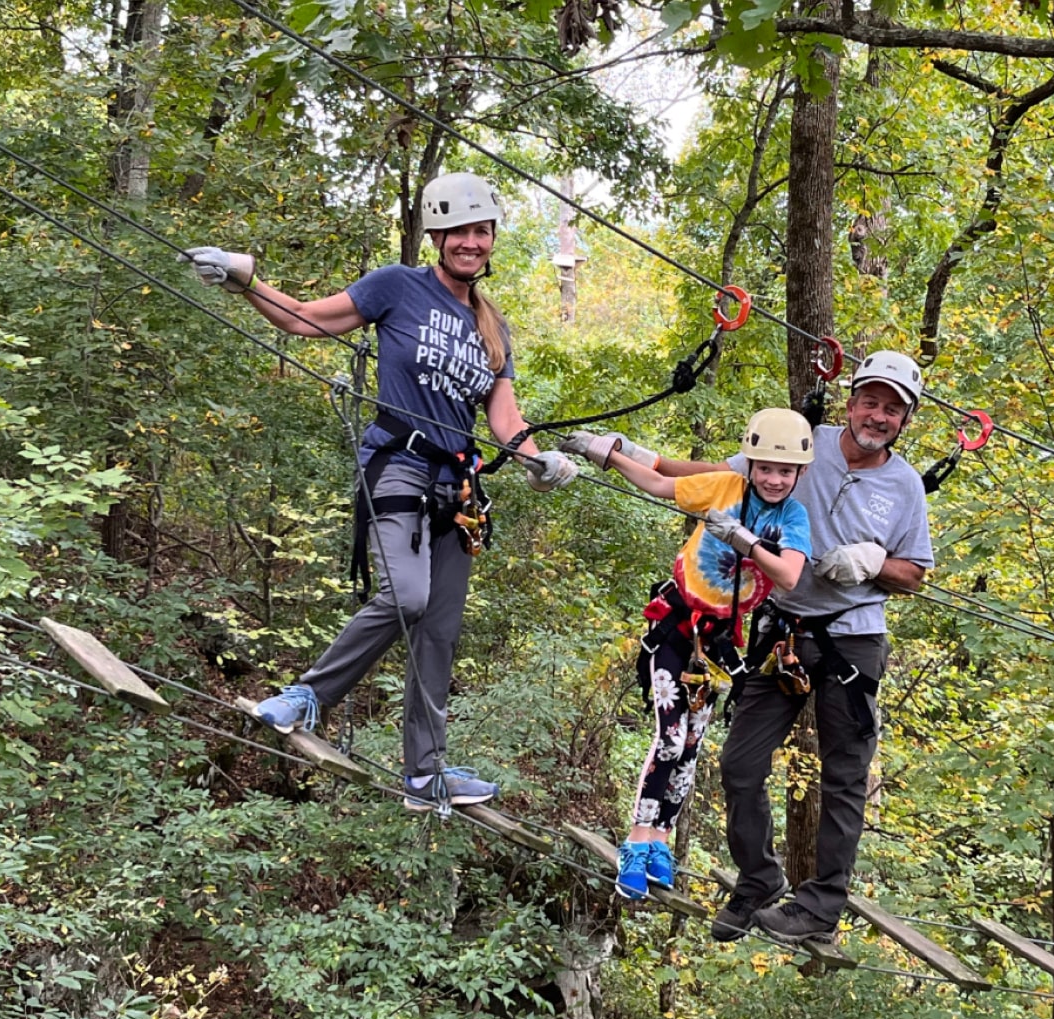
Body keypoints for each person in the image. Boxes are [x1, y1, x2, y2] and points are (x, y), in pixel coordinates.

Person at [180, 172, 578, 811]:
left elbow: (505, 421)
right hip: (398, 465)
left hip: (459, 488)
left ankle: (425, 776)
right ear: (437, 237)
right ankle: (308, 696)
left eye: (481, 232)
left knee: (440, 632)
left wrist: (540, 460)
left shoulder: (493, 328)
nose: (470, 243)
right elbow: (307, 322)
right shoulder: (399, 287)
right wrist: (245, 279)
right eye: (458, 233)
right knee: (408, 595)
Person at [592, 351, 933, 942]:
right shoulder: (800, 443)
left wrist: (875, 562)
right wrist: (627, 453)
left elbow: (915, 573)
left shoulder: (904, 486)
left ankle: (820, 908)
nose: (878, 416)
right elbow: (714, 476)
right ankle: (759, 880)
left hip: (853, 640)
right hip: (780, 631)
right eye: (870, 401)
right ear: (851, 403)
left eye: (892, 409)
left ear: (905, 421)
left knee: (844, 776)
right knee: (740, 764)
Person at [563, 409, 815, 900]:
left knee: (693, 745)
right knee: (671, 737)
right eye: (764, 467)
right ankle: (637, 840)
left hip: (720, 646)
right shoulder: (724, 486)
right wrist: (609, 456)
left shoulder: (793, 518)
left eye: (785, 471)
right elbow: (659, 485)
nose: (774, 478)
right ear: (750, 465)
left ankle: (660, 840)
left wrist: (747, 542)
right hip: (677, 626)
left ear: (800, 474)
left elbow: (789, 575)